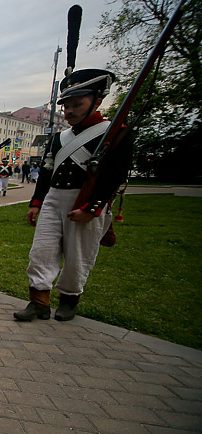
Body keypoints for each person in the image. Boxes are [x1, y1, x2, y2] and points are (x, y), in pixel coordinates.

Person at [16, 68, 132, 322]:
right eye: (66, 106)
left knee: (78, 255)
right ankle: (38, 301)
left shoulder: (114, 132)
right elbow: (47, 172)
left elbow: (114, 175)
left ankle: (69, 298)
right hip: (54, 198)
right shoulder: (59, 138)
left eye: (77, 104)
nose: (69, 111)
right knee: (41, 252)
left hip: (85, 201)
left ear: (97, 101)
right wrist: (37, 202)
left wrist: (92, 207)